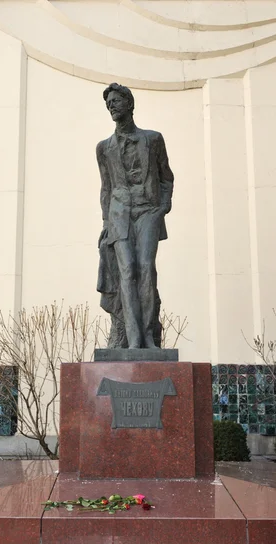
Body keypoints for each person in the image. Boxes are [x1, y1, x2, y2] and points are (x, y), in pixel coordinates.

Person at [96, 83, 174, 349]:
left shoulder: (153, 139)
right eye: (109, 104)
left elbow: (166, 177)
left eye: (116, 101)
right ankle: (133, 338)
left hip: (148, 209)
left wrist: (163, 205)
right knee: (126, 271)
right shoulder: (104, 148)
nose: (112, 106)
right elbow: (106, 187)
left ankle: (149, 337)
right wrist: (106, 222)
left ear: (130, 104)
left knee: (146, 269)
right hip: (119, 214)